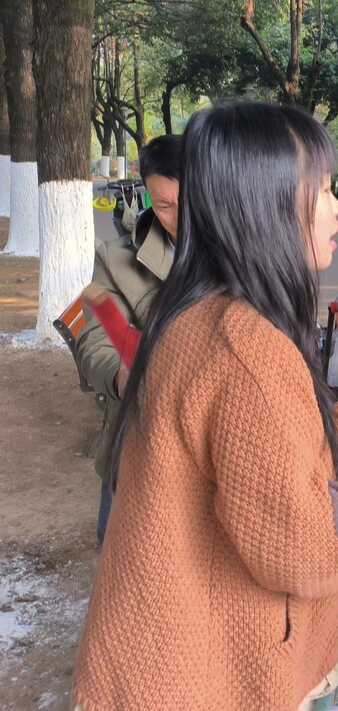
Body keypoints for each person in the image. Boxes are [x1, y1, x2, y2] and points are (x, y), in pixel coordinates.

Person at [72, 102, 338, 710]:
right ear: (266, 207)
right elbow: (302, 545)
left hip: (161, 654)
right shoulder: (247, 347)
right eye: (322, 190)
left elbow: (271, 442)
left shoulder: (203, 312)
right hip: (188, 678)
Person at [76, 134, 182, 545]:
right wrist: (119, 376)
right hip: (137, 449)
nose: (180, 217)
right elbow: (95, 344)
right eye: (165, 206)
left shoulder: (238, 261)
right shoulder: (116, 261)